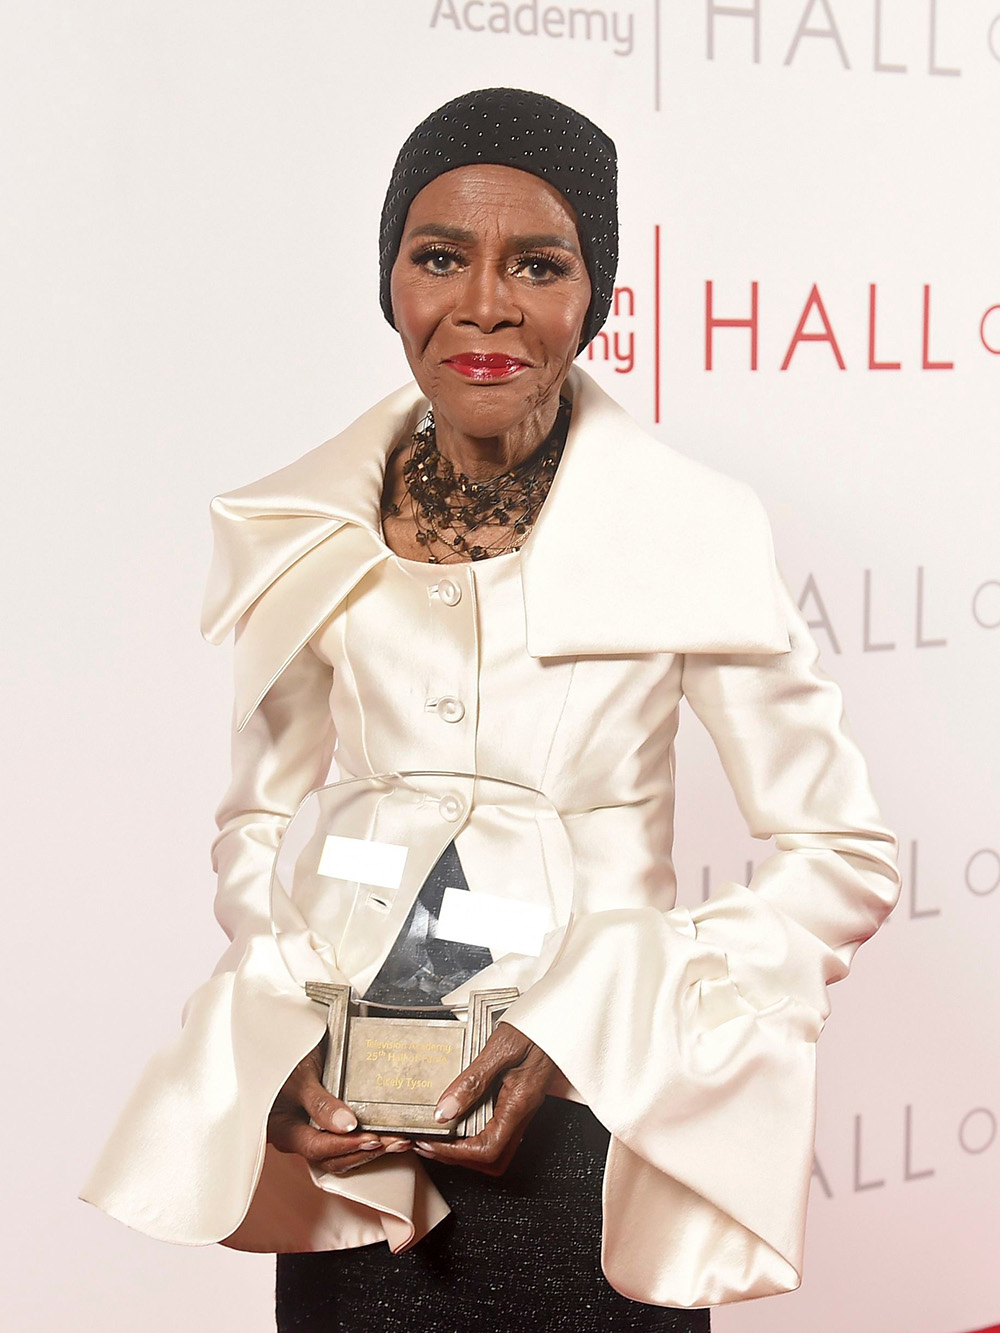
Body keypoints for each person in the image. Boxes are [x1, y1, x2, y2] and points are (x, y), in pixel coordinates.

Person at [82, 88, 901, 1330]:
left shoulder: (686, 533)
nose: (483, 304)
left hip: (594, 1148)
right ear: (390, 283)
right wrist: (286, 1033)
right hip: (357, 1166)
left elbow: (839, 853)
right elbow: (255, 824)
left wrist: (591, 1030)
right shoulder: (313, 531)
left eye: (538, 262)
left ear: (598, 293)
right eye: (438, 256)